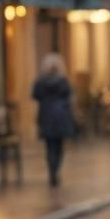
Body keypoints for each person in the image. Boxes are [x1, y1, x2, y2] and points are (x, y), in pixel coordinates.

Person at [31, 53, 75, 187]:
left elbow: (34, 95)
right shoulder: (63, 81)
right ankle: (55, 170)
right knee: (59, 146)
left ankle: (52, 171)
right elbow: (69, 96)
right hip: (60, 117)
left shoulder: (40, 81)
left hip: (45, 116)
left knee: (49, 146)